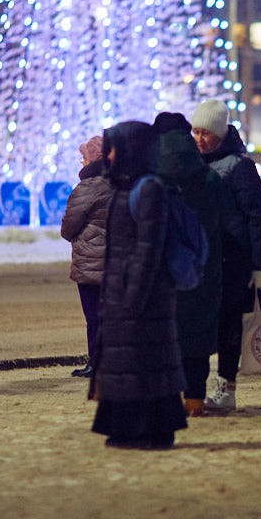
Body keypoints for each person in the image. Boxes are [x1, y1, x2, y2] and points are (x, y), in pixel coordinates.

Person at [90, 120, 186, 449]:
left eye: (113, 147)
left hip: (142, 294)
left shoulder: (149, 189)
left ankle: (151, 430)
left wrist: (134, 296)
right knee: (130, 363)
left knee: (144, 363)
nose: (108, 155)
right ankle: (129, 428)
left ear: (131, 149)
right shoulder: (128, 187)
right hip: (123, 290)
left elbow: (149, 247)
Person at [154, 112, 240, 417]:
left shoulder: (150, 175)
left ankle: (164, 397)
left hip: (161, 270)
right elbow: (230, 222)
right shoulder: (208, 177)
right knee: (197, 335)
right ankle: (194, 399)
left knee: (162, 333)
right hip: (204, 268)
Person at [190, 100, 261, 412]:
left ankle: (226, 386)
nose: (199, 138)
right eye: (195, 131)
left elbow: (257, 217)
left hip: (234, 260)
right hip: (204, 260)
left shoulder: (239, 166)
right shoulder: (194, 164)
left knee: (229, 325)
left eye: (206, 133)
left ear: (221, 134)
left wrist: (260, 266)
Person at [59, 135, 111, 379]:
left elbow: (68, 226)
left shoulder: (87, 188)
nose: (81, 162)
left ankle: (96, 363)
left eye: (84, 158)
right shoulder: (122, 183)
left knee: (94, 317)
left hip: (90, 263)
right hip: (116, 263)